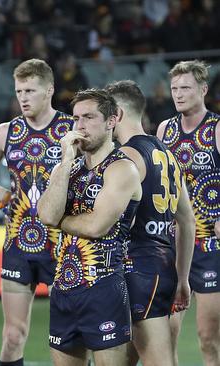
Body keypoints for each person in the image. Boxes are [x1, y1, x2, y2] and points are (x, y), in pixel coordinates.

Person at [37, 88, 142, 366]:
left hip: (104, 288)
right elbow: (45, 214)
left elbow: (97, 226)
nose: (80, 126)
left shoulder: (122, 169)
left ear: (111, 121)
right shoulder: (67, 168)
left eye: (89, 117)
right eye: (76, 118)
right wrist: (65, 161)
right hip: (63, 288)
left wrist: (60, 221)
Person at [0, 58, 74, 366]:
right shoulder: (6, 132)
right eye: (19, 90)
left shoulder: (71, 130)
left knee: (70, 336)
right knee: (13, 335)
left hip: (64, 246)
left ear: (49, 90)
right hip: (18, 246)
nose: (23, 97)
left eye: (30, 90)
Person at [106, 80, 195, 365]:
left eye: (107, 114)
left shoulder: (127, 156)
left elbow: (107, 221)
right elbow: (187, 222)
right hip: (165, 268)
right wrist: (182, 278)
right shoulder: (168, 154)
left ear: (117, 115)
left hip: (137, 269)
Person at [157, 60, 220, 366]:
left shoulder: (217, 129)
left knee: (208, 338)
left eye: (186, 88)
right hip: (172, 244)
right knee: (165, 336)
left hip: (210, 246)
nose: (179, 94)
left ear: (203, 90)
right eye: (174, 88)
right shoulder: (165, 130)